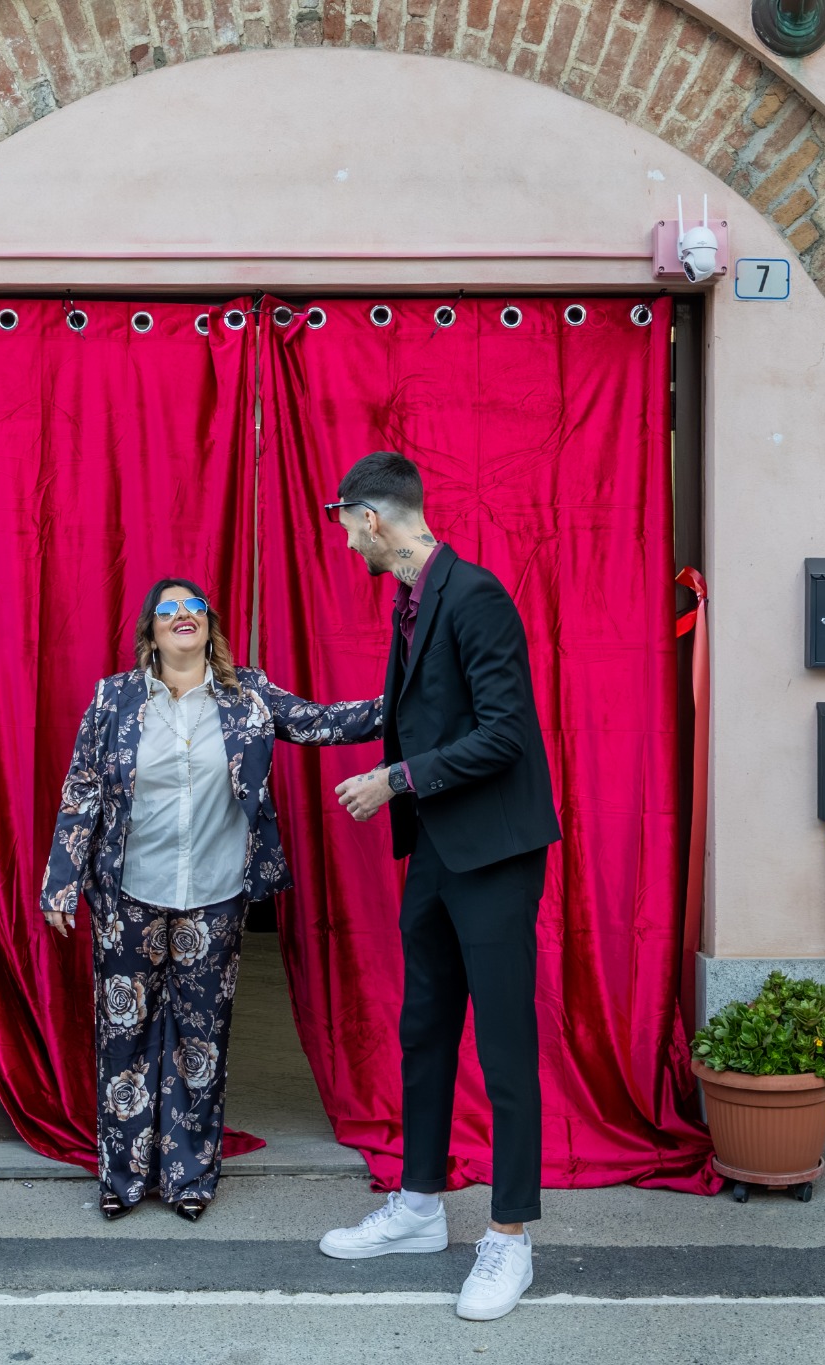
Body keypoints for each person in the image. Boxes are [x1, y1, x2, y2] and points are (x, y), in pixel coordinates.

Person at [43, 579, 383, 1221]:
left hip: (216, 894)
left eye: (191, 606)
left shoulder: (246, 695)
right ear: (150, 630)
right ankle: (122, 1175)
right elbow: (83, 788)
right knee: (125, 1036)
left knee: (202, 1039)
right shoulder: (114, 699)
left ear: (208, 623)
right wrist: (61, 880)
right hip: (128, 894)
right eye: (166, 608)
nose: (180, 615)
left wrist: (407, 701)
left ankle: (190, 1176)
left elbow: (323, 723)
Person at [315, 451, 561, 1322]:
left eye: (348, 528)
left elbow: (507, 734)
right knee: (424, 1028)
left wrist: (396, 781)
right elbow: (417, 710)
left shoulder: (478, 596)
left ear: (373, 520)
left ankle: (510, 1237)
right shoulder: (411, 600)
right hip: (437, 855)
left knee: (502, 1049)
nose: (347, 546)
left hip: (492, 854)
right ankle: (420, 1206)